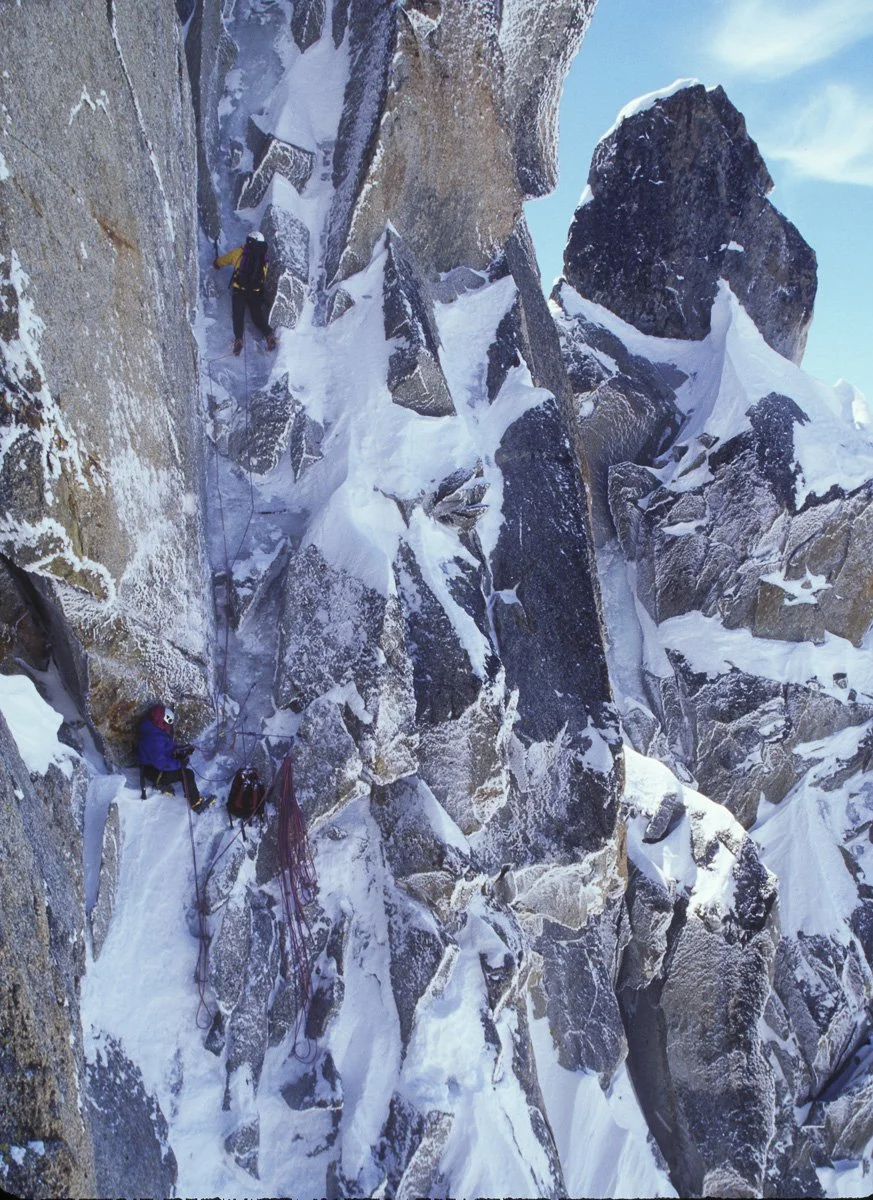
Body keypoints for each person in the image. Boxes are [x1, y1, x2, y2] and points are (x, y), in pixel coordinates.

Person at [137, 703, 214, 814]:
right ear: (159, 718)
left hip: (154, 767)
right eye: (167, 720)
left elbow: (167, 747)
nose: (169, 724)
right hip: (154, 772)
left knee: (181, 763)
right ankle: (196, 804)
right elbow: (161, 763)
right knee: (187, 774)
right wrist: (179, 764)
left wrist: (182, 749)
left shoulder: (155, 730)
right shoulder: (153, 737)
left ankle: (169, 785)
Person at [213, 231, 277, 356]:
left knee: (238, 315)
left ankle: (239, 340)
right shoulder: (264, 258)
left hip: (239, 290)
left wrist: (216, 264)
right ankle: (269, 336)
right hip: (256, 292)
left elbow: (223, 261)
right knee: (257, 316)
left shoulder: (239, 253)